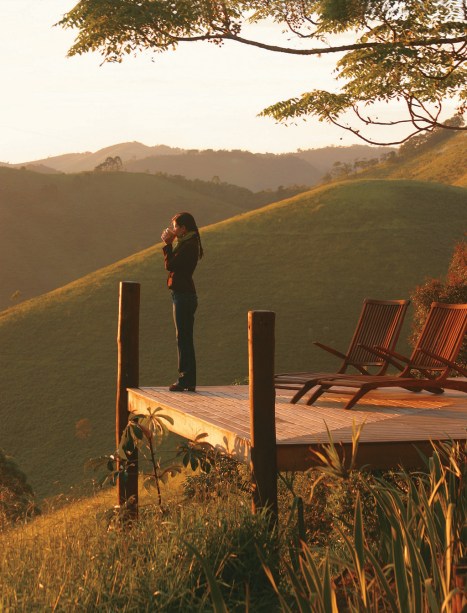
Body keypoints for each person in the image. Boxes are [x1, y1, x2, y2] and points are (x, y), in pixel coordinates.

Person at [161, 212, 203, 392]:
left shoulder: (189, 246)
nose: (174, 229)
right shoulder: (187, 244)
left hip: (184, 296)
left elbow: (170, 266)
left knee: (183, 338)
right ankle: (187, 379)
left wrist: (168, 245)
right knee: (184, 337)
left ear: (184, 228)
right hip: (183, 294)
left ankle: (186, 378)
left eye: (176, 226)